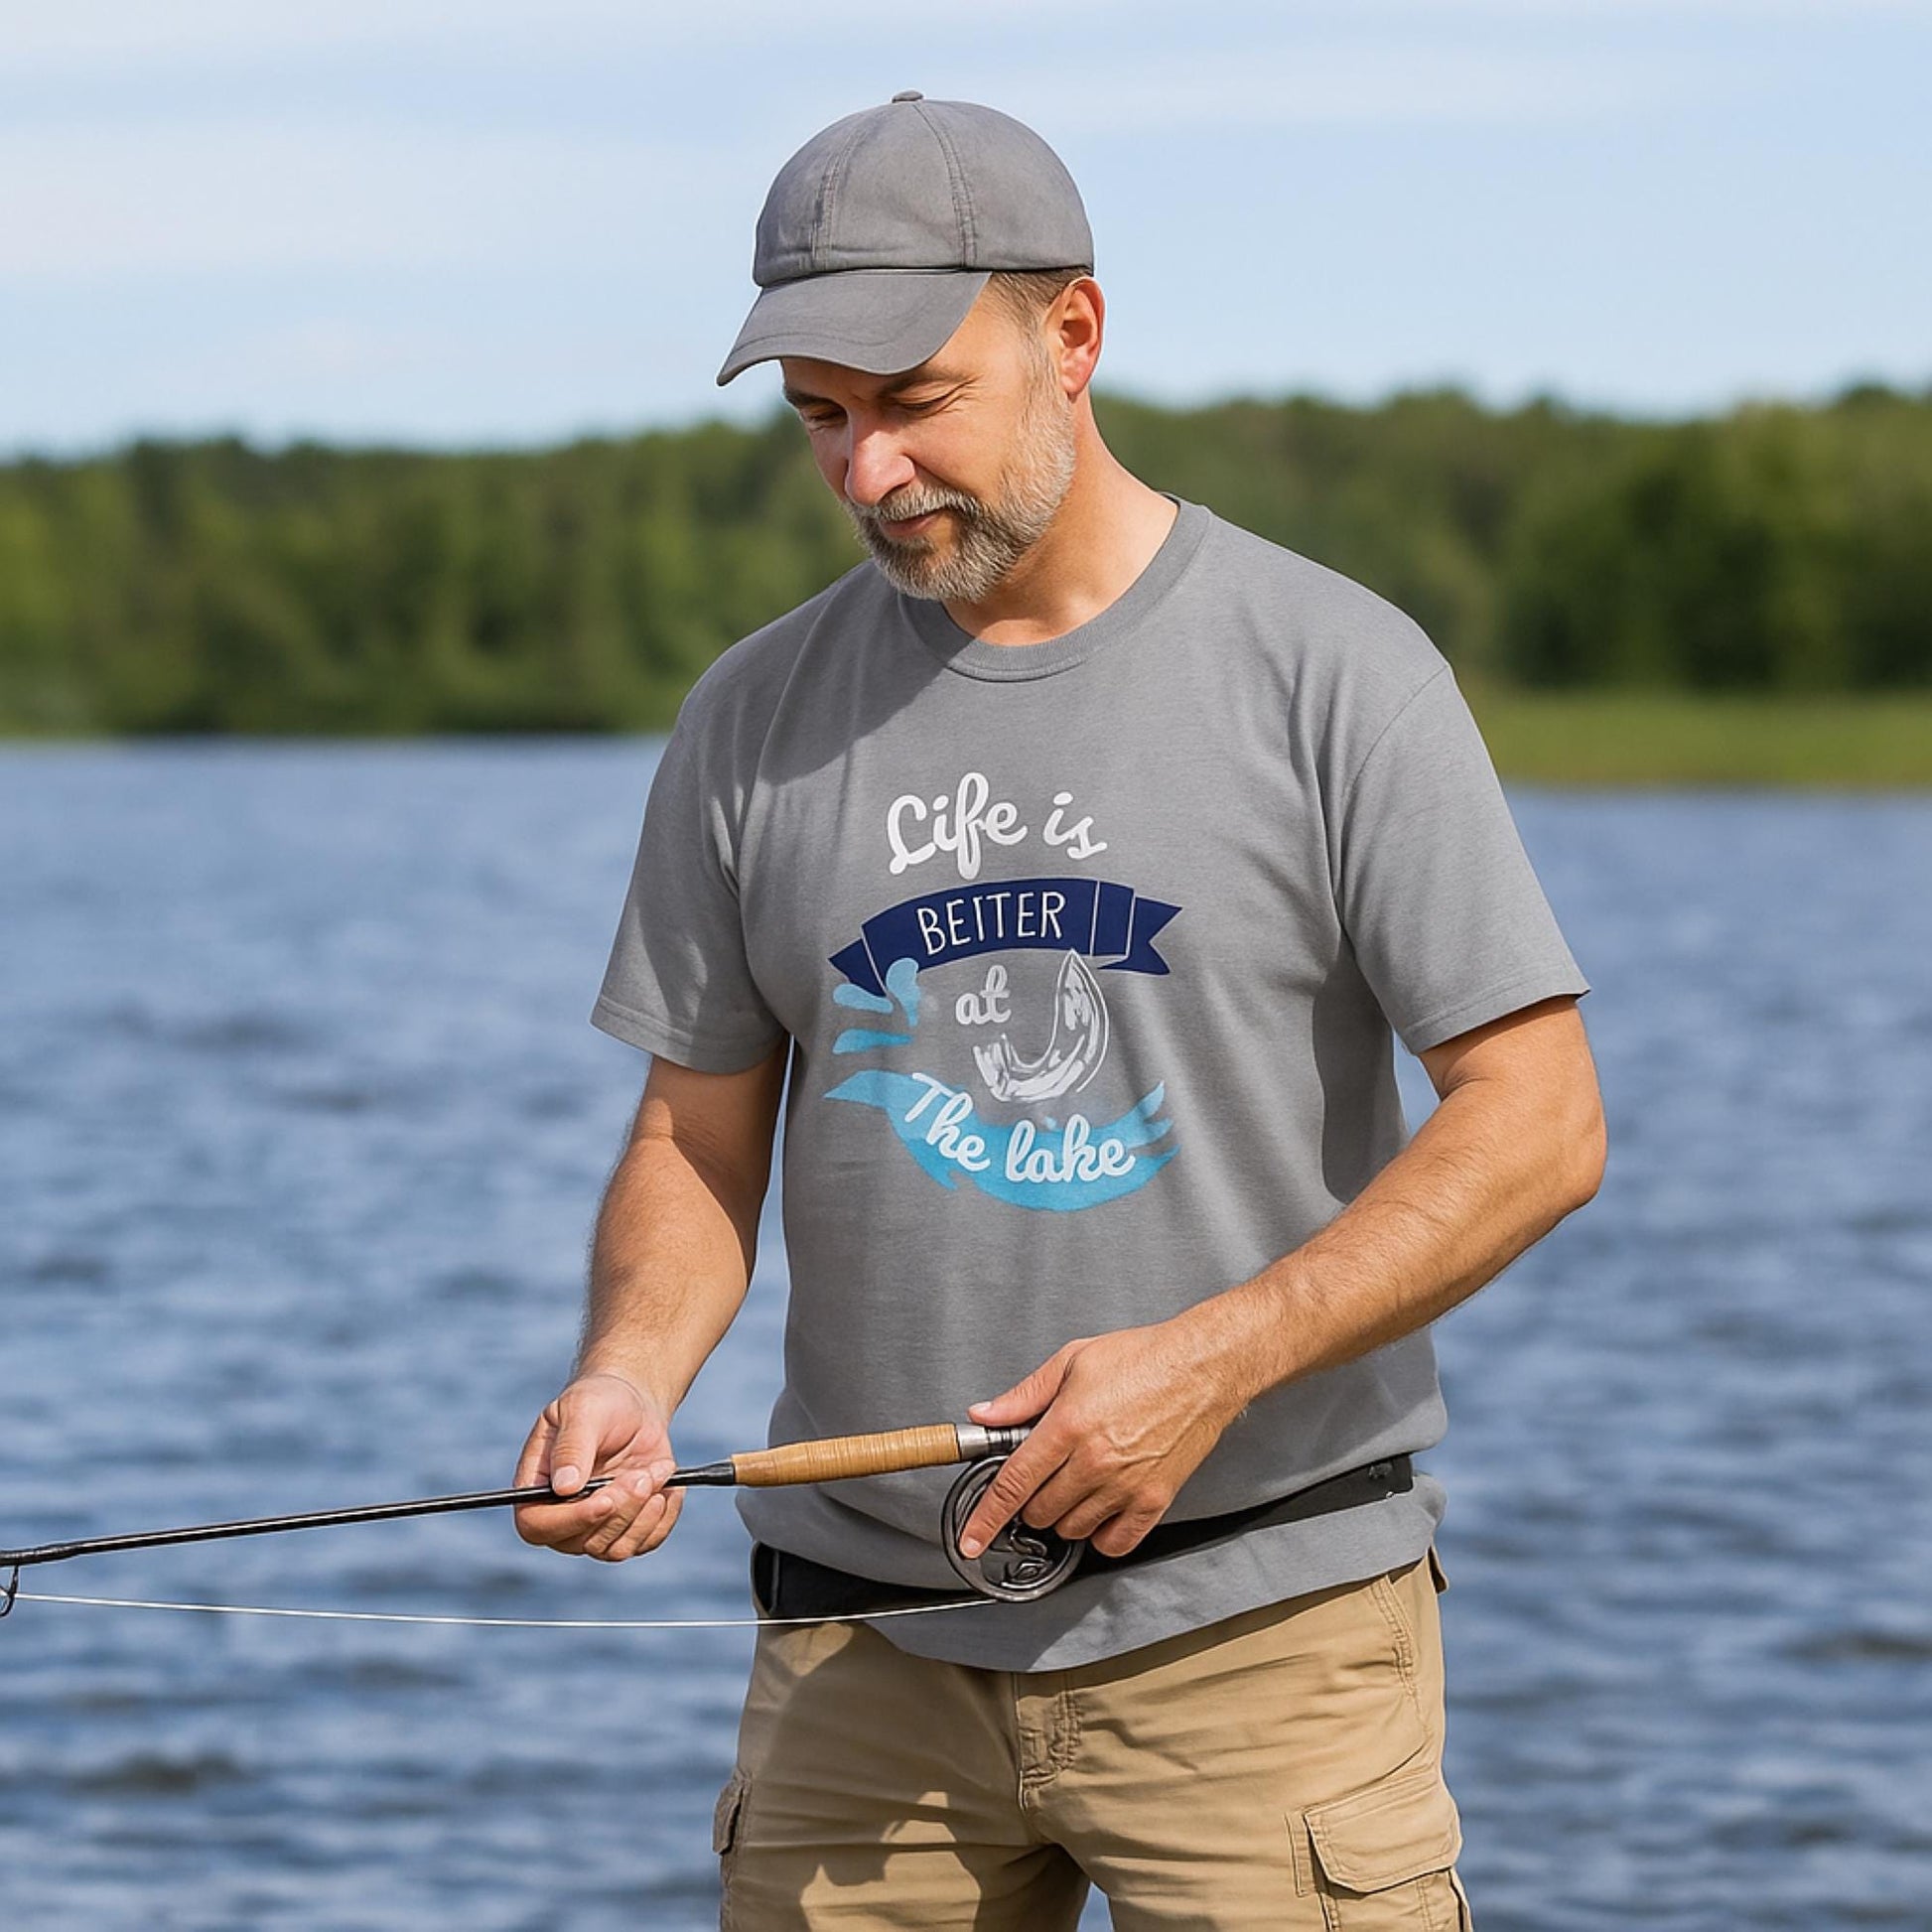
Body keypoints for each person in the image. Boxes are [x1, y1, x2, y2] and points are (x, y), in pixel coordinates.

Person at [513, 92, 1605, 1930]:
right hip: (858, 1657)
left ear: (1073, 333)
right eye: (820, 419)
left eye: (914, 399)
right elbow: (694, 1140)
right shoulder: (748, 717)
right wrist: (630, 1375)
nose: (867, 471)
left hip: (1261, 1634)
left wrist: (1215, 1357)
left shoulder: (1332, 670)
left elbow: (1539, 1119)